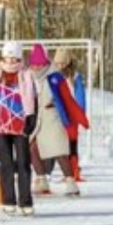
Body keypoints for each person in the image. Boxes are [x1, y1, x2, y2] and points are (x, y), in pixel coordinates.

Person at [27, 44, 89, 196]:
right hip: (38, 117)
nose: (36, 67)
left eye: (39, 64)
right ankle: (41, 179)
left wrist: (78, 116)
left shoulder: (55, 77)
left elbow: (68, 98)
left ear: (45, 63)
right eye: (34, 64)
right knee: (33, 147)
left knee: (59, 151)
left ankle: (70, 181)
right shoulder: (29, 77)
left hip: (54, 117)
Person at [0, 41, 39, 216]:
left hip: (20, 123)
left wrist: (31, 118)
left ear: (19, 58)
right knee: (6, 163)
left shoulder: (26, 75)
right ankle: (8, 199)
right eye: (7, 59)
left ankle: (25, 201)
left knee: (23, 163)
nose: (10, 63)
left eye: (14, 59)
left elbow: (33, 97)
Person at [52, 48, 87, 181]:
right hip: (58, 114)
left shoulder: (75, 77)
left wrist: (80, 113)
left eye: (62, 63)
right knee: (61, 145)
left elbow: (80, 96)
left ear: (68, 62)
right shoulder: (54, 76)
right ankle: (66, 171)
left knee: (72, 143)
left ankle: (74, 170)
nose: (60, 66)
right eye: (57, 63)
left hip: (71, 114)